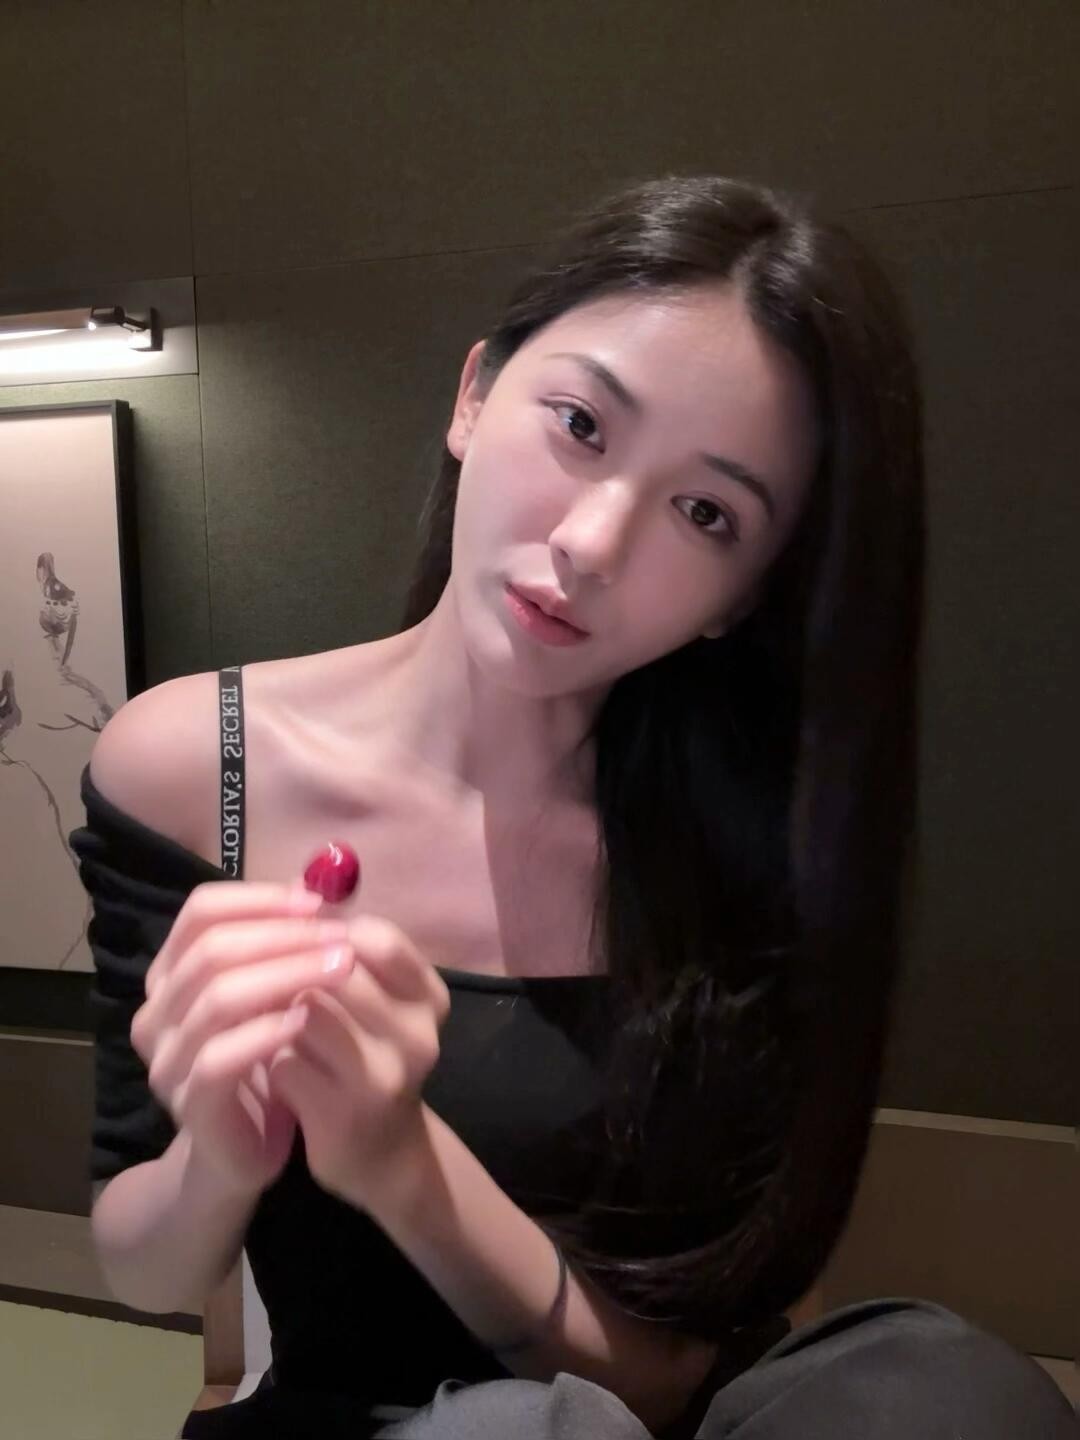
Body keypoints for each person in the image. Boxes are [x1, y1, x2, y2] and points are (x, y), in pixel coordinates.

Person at [70, 174, 1078, 1439]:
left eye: (706, 513)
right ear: (474, 395)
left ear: (742, 596)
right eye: (583, 425)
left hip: (653, 1420)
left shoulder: (759, 844)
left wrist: (403, 1165)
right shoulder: (196, 769)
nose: (595, 542)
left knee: (953, 1396)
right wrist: (222, 1154)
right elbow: (144, 1267)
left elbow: (666, 1380)